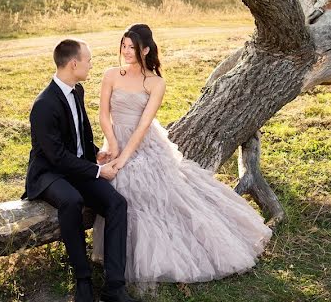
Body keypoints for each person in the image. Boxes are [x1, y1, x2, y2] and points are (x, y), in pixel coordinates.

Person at [92, 24, 272, 286]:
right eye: (123, 46)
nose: (126, 51)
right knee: (112, 180)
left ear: (145, 49)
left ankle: (159, 252)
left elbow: (143, 125)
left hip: (142, 143)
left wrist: (124, 156)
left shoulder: (155, 82)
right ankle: (119, 251)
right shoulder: (110, 74)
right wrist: (112, 146)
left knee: (137, 181)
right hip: (114, 140)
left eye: (132, 47)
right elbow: (103, 114)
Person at [22, 39, 142, 302]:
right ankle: (83, 279)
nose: (91, 64)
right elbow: (56, 157)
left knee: (117, 203)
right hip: (50, 174)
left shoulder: (77, 90)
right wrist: (98, 171)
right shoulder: (44, 104)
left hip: (78, 167)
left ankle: (114, 286)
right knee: (72, 201)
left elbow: (81, 133)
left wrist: (96, 153)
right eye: (88, 60)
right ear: (74, 64)